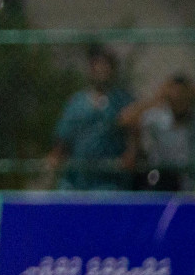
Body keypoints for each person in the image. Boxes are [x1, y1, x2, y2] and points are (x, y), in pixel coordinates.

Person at [48, 46, 133, 190]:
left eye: (106, 66)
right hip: (76, 177)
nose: (101, 70)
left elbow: (132, 130)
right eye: (97, 65)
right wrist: (56, 156)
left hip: (108, 179)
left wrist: (131, 153)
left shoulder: (122, 100)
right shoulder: (77, 102)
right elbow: (64, 135)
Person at [119, 74, 195, 191]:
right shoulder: (159, 116)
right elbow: (125, 119)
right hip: (161, 176)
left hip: (188, 180)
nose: (178, 99)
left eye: (182, 95)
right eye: (175, 94)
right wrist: (157, 97)